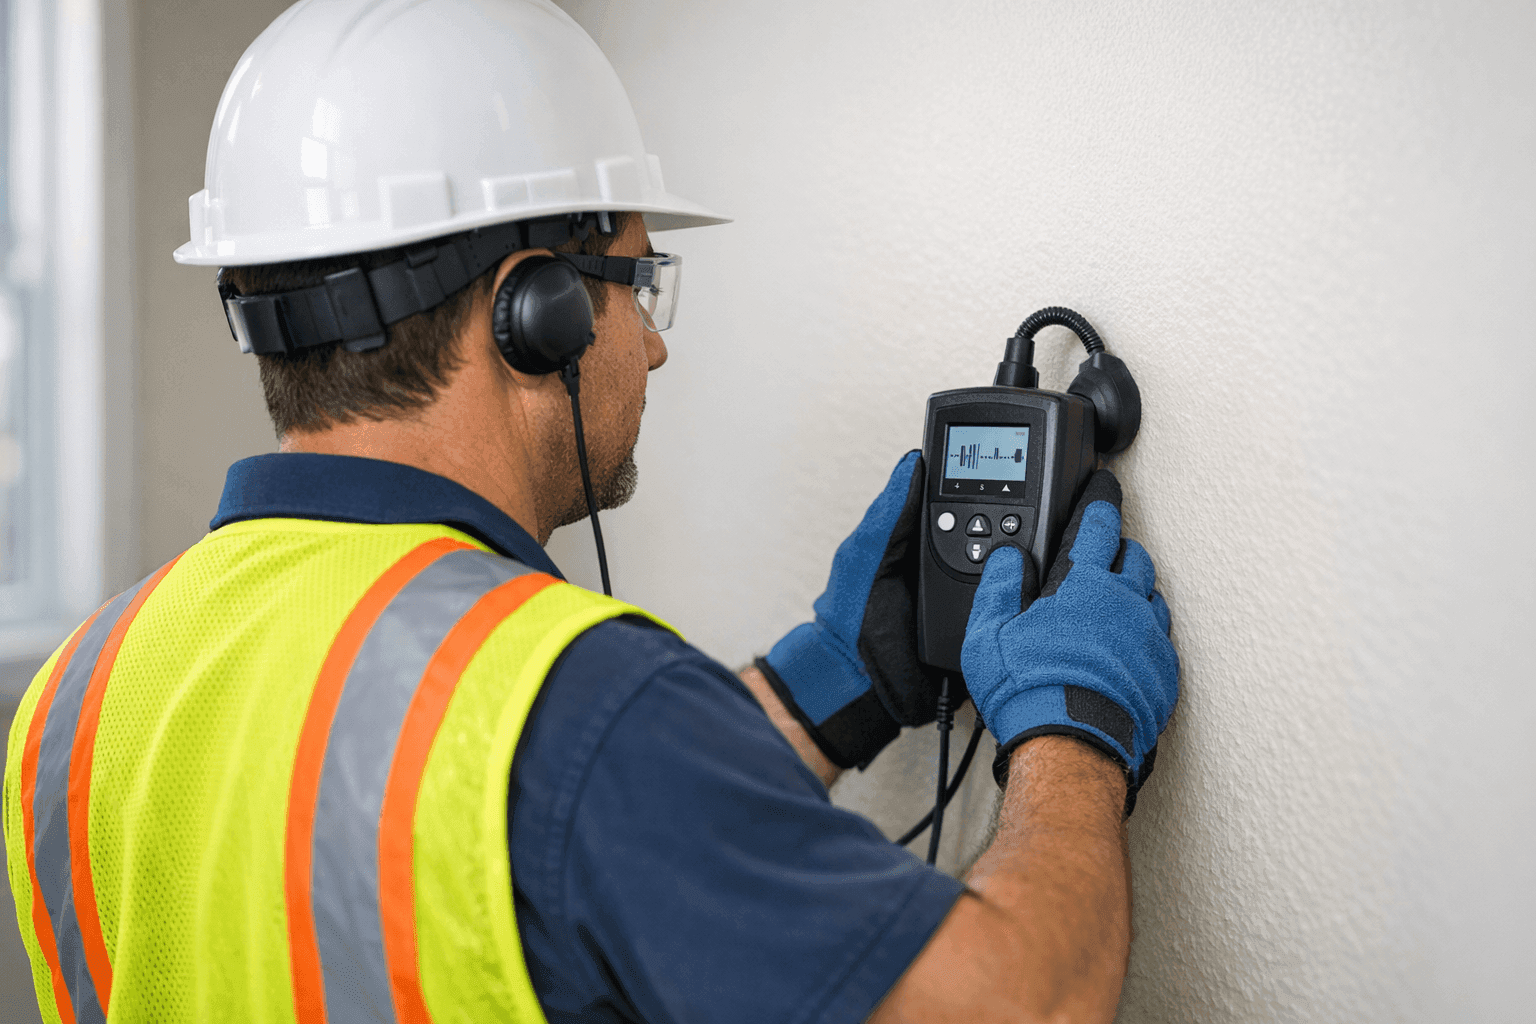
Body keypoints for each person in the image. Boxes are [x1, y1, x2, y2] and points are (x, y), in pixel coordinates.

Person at [3, 2, 1179, 1022]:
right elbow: (1021, 1001)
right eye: (640, 280)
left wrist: (828, 682)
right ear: (538, 313)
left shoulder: (79, 693)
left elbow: (464, 858)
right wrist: (1072, 729)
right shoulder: (578, 702)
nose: (654, 345)